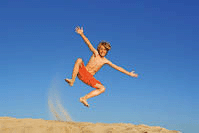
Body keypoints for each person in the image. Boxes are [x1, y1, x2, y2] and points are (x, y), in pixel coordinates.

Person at [65, 26, 138, 107]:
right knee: (79, 60)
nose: (103, 51)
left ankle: (84, 98)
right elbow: (88, 43)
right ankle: (72, 80)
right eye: (101, 49)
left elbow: (117, 67)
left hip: (89, 78)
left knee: (102, 88)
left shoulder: (105, 61)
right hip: (82, 72)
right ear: (99, 49)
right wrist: (82, 34)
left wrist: (129, 73)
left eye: (105, 50)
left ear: (107, 51)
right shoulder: (95, 53)